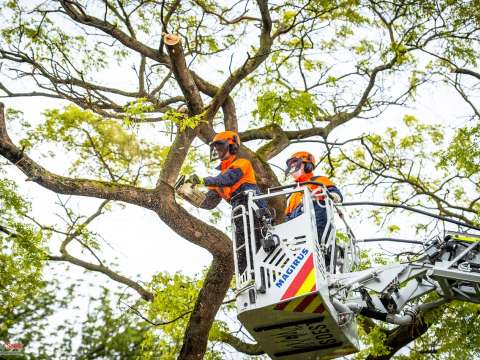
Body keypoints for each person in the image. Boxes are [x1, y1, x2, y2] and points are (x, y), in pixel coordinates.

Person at [186, 131, 266, 273]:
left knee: (256, 242)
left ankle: (261, 274)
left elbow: (228, 179)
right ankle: (248, 277)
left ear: (232, 146)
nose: (217, 150)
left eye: (220, 146)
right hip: (239, 210)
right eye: (215, 148)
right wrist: (188, 195)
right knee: (242, 247)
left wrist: (203, 180)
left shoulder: (242, 163)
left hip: (252, 205)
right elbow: (208, 203)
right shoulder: (220, 176)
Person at [284, 151, 343, 243]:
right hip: (296, 225)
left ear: (308, 166)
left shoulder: (318, 180)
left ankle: (319, 243)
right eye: (291, 165)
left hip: (315, 220)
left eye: (296, 163)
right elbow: (288, 216)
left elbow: (335, 194)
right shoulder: (292, 193)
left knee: (315, 204)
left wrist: (330, 196)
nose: (292, 167)